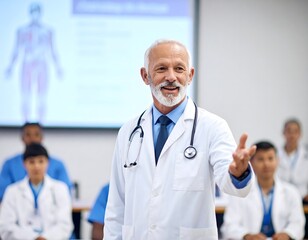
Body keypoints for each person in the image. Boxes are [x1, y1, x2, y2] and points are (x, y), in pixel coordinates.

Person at [104, 39, 257, 239]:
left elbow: (235, 187)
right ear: (145, 76)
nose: (171, 77)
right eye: (161, 69)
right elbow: (116, 207)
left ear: (190, 75)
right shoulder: (128, 132)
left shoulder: (212, 127)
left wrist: (239, 173)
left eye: (179, 69)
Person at [221, 141, 305, 240]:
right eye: (260, 159)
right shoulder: (239, 192)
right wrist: (247, 235)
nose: (266, 164)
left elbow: (298, 223)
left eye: (270, 158)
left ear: (277, 161)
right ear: (251, 163)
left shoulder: (291, 192)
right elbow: (229, 226)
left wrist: (287, 234)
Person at [0, 142, 73, 239]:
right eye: (31, 162)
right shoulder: (12, 191)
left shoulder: (60, 189)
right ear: (24, 164)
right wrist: (33, 238)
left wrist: (45, 238)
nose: (36, 166)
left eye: (41, 161)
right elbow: (6, 228)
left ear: (48, 163)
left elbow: (65, 225)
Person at [5, 2, 62, 122]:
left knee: (42, 96)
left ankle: (41, 124)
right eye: (33, 12)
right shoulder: (22, 31)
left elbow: (53, 50)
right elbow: (16, 49)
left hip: (41, 64)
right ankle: (25, 123)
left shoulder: (47, 31)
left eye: (37, 12)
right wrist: (10, 66)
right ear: (30, 14)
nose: (35, 15)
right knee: (25, 95)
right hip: (27, 64)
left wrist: (58, 67)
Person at [0, 122, 72, 202]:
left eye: (36, 134)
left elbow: (66, 193)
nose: (32, 138)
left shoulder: (58, 164)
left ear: (42, 137)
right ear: (22, 138)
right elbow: (3, 193)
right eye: (28, 135)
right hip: (18, 209)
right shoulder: (10, 164)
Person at [276, 118, 308, 203]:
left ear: (300, 134)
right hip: (281, 198)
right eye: (289, 131)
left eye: (295, 131)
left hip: (303, 199)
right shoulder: (275, 155)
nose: (292, 135)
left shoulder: (305, 155)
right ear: (283, 133)